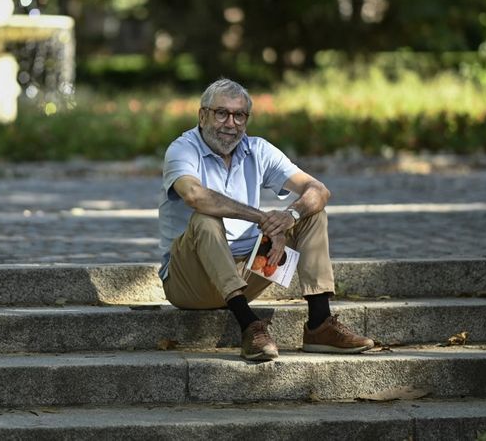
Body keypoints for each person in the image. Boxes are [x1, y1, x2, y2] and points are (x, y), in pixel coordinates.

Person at [157, 78, 375, 361]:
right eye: (221, 113)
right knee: (204, 219)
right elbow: (195, 196)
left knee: (312, 213)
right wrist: (263, 218)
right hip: (189, 281)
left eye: (239, 115)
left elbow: (319, 190)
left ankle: (320, 325)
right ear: (202, 115)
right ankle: (249, 325)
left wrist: (289, 216)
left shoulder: (258, 149)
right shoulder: (183, 149)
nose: (230, 123)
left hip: (247, 271)